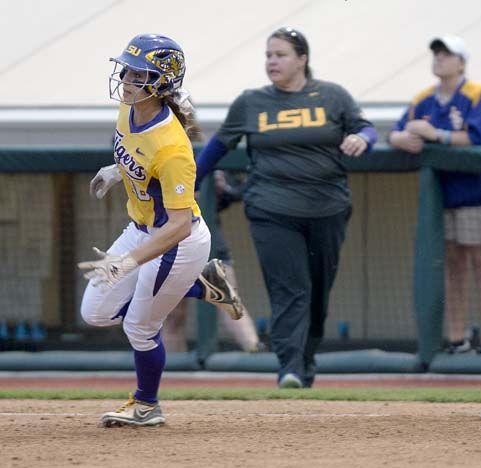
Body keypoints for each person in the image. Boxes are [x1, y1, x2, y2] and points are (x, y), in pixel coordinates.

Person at [195, 27, 377, 388]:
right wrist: (186, 184)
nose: (272, 62)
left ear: (302, 59)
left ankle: (305, 361)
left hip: (327, 208)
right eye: (268, 55)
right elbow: (217, 148)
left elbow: (367, 129)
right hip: (271, 209)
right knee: (289, 289)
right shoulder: (251, 102)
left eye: (280, 55)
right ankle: (289, 368)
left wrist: (361, 138)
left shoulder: (332, 96)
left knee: (318, 292)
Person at [78, 34, 242, 427]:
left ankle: (146, 405)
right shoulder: (129, 107)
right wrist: (118, 171)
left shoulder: (173, 146)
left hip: (178, 241)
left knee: (140, 325)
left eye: (139, 73)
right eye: (128, 70)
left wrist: (128, 262)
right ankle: (202, 285)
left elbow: (180, 224)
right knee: (95, 313)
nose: (128, 79)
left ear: (162, 81)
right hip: (143, 228)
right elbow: (137, 151)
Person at [388, 35, 481, 354]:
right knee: (452, 266)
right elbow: (397, 130)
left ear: (461, 62)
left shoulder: (476, 94)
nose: (439, 58)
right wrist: (400, 139)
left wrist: (436, 134)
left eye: (447, 54)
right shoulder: (423, 99)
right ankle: (457, 340)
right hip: (442, 196)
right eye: (436, 53)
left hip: (479, 193)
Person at [163, 170, 262, 353]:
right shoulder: (155, 157)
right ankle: (171, 374)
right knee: (173, 316)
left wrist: (220, 187)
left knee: (231, 304)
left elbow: (236, 192)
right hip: (171, 247)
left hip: (210, 244)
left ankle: (255, 352)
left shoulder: (208, 159)